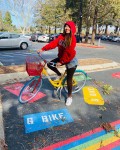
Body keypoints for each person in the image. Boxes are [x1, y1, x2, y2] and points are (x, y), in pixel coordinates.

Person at [37, 21, 78, 106]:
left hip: (71, 60)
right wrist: (43, 49)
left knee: (69, 79)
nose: (67, 28)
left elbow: (68, 52)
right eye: (66, 26)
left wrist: (61, 62)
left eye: (69, 27)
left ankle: (69, 97)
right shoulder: (61, 36)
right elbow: (53, 43)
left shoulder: (72, 39)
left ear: (72, 28)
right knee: (50, 64)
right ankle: (59, 74)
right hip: (62, 58)